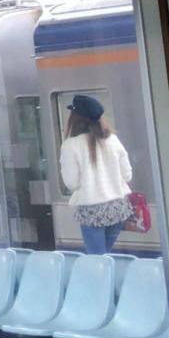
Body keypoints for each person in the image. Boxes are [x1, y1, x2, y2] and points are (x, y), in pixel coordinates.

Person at [59, 94, 134, 255]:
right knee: (104, 255)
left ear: (75, 118)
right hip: (118, 207)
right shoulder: (113, 140)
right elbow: (127, 175)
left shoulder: (70, 146)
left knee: (97, 258)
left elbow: (72, 183)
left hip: (92, 210)